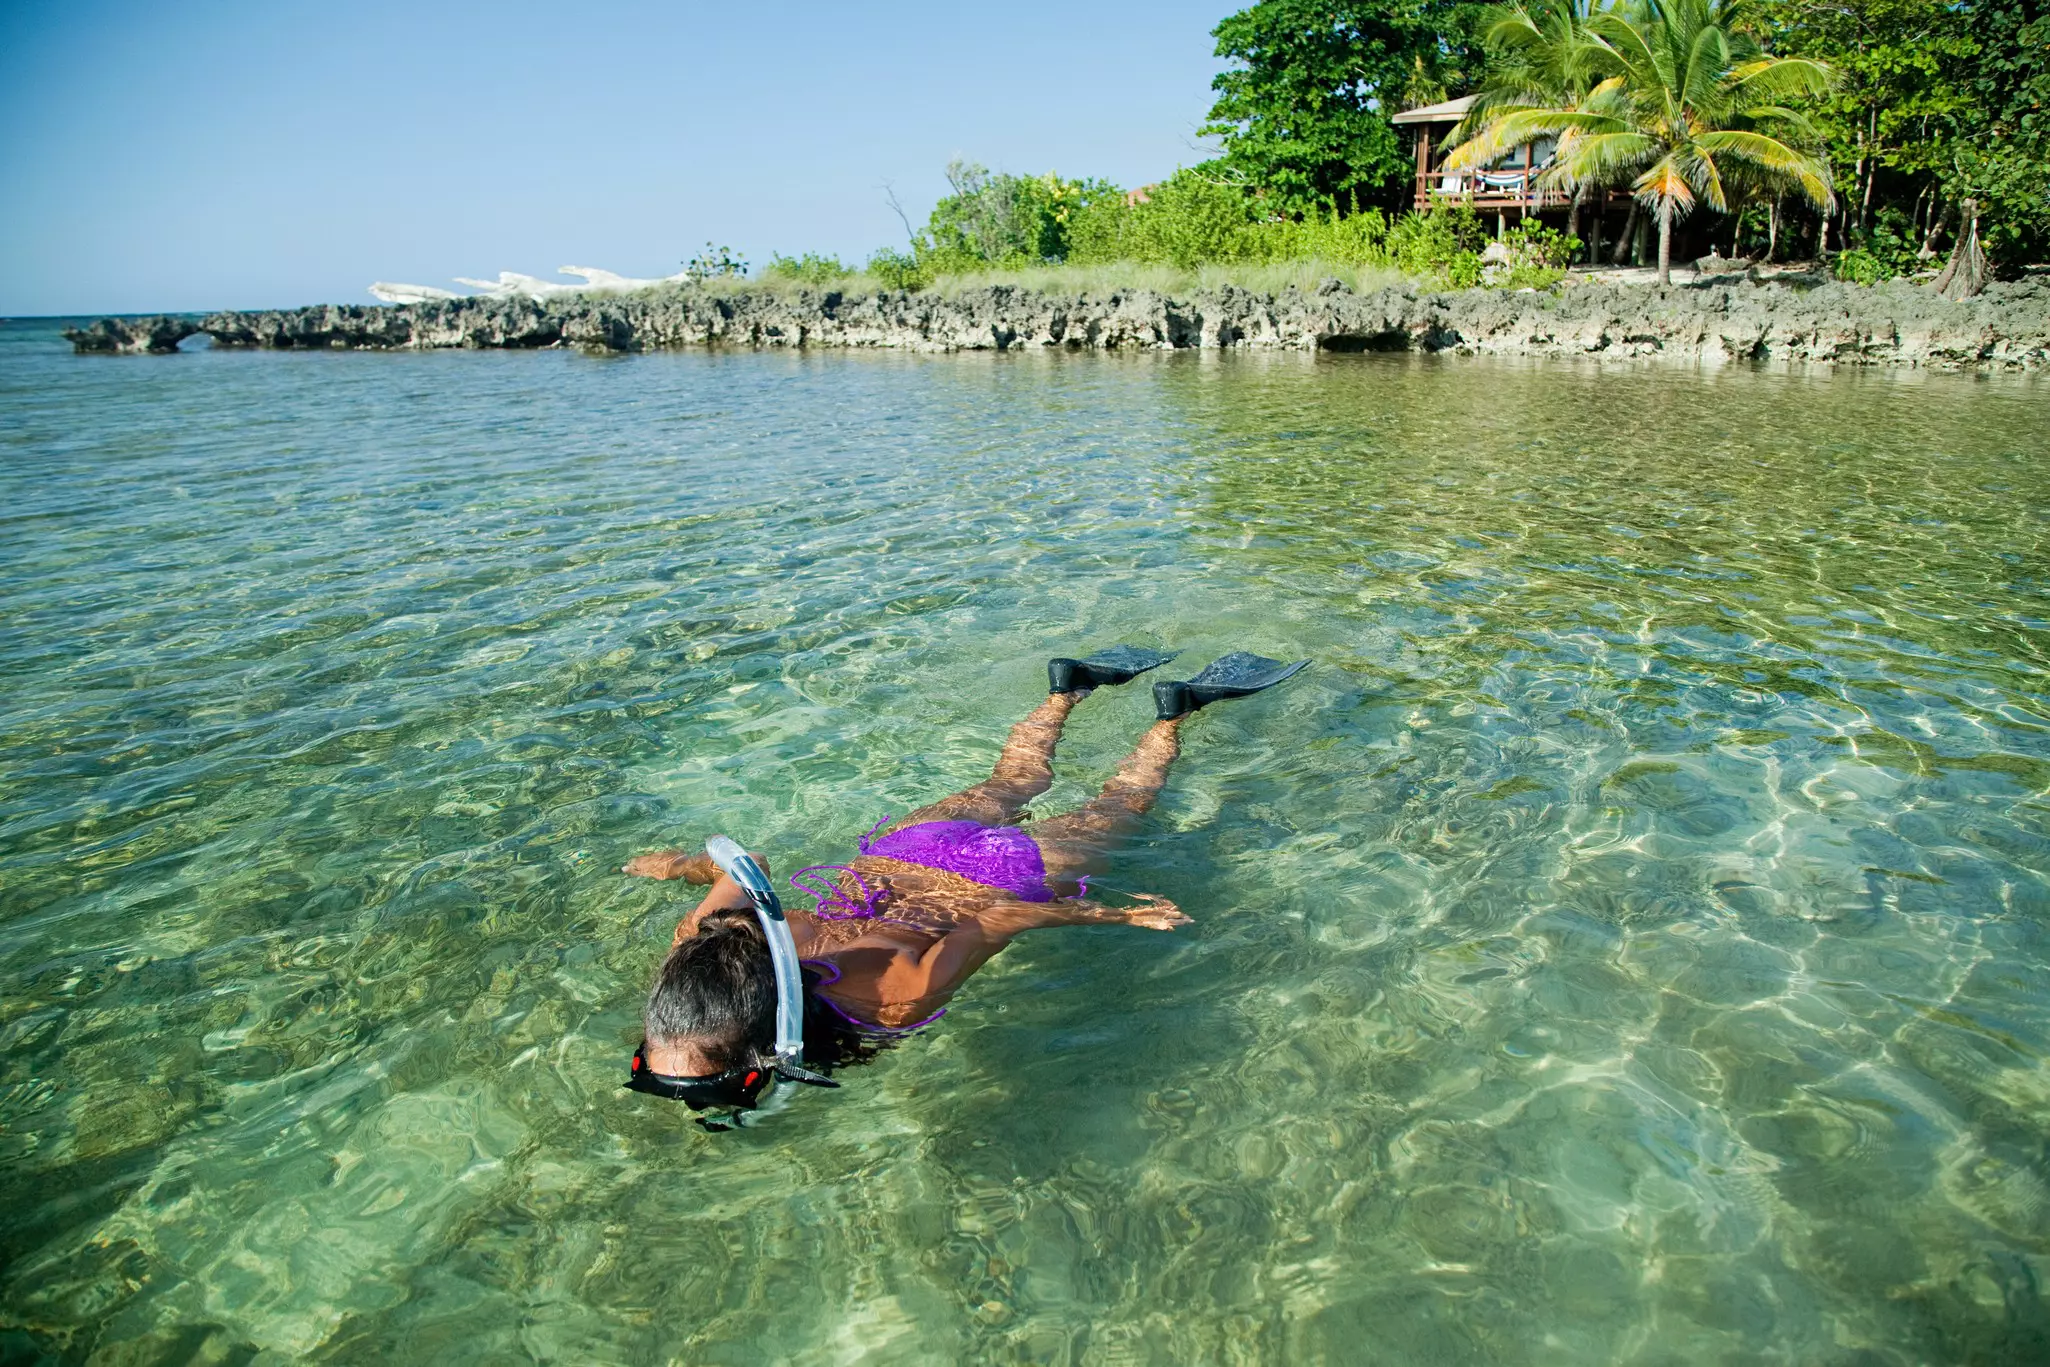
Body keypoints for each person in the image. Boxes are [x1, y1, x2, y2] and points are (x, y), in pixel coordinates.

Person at [621, 647, 1307, 1114]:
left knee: (1117, 805)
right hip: (906, 851)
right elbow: (749, 864)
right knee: (1015, 779)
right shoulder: (708, 934)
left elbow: (1001, 917)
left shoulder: (894, 1002)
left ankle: (1176, 711)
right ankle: (1067, 688)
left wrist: (1117, 917)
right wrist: (686, 866)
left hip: (996, 876)